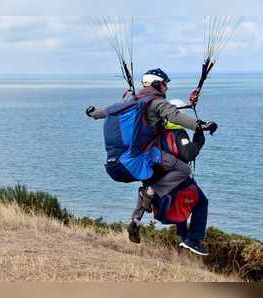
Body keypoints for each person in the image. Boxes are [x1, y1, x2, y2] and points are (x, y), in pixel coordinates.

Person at [86, 68, 217, 212]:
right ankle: (150, 193)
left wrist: (92, 112)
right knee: (184, 169)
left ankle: (137, 217)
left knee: (156, 174)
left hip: (116, 162)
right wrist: (199, 126)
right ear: (156, 84)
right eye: (165, 84)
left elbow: (107, 111)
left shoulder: (132, 100)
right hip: (143, 155)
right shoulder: (157, 102)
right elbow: (174, 115)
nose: (166, 87)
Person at [127, 99, 217, 256]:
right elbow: (188, 153)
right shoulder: (178, 133)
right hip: (175, 177)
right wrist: (199, 138)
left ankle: (136, 220)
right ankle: (193, 240)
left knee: (168, 196)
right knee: (201, 202)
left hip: (157, 174)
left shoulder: (156, 132)